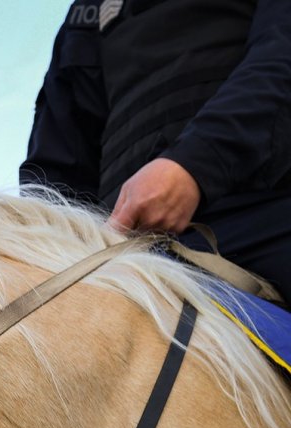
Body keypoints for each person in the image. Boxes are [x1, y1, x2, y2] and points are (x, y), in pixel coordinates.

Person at [20, 0, 291, 301]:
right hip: (122, 250)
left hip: (265, 210)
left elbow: (280, 57)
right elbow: (56, 166)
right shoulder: (88, 11)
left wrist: (193, 167)